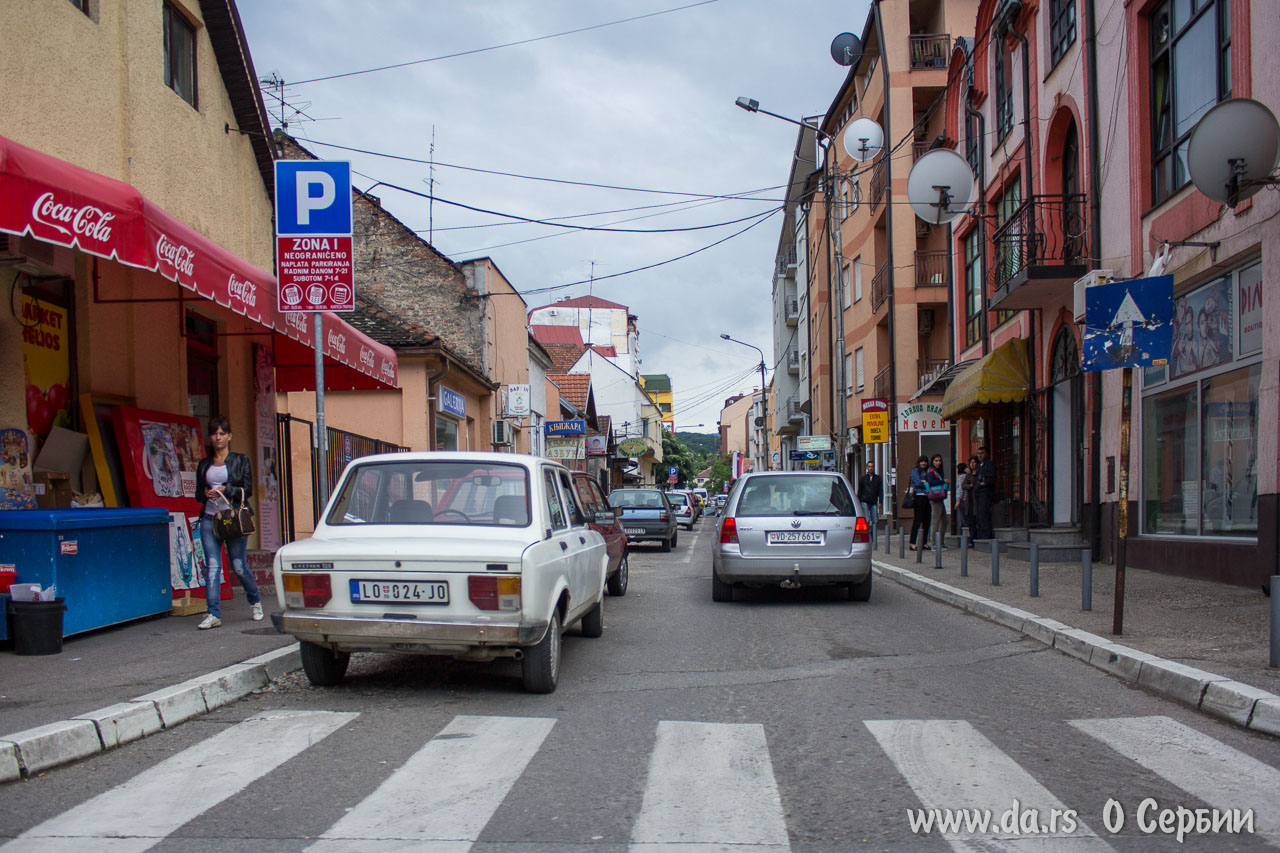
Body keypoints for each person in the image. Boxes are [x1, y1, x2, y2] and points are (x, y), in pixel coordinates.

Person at [194, 416, 262, 629]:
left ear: (230, 436)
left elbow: (248, 490)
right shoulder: (204, 464)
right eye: (215, 433)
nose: (218, 437)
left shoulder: (240, 460)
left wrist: (226, 490)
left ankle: (255, 601)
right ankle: (213, 613)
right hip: (209, 518)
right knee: (213, 566)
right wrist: (206, 493)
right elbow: (197, 493)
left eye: (222, 433)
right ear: (210, 437)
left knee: (238, 565)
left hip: (233, 518)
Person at [973, 444, 996, 540]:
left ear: (987, 454)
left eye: (982, 453)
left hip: (985, 492)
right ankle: (981, 534)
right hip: (978, 492)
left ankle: (986, 535)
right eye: (978, 453)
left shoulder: (989, 464)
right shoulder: (979, 466)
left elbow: (992, 478)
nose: (980, 455)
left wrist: (984, 483)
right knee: (979, 515)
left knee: (984, 514)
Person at [908, 455, 931, 550]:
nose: (923, 463)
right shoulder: (915, 471)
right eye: (922, 461)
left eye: (925, 461)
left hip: (928, 497)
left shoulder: (928, 471)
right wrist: (926, 483)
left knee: (927, 520)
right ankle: (912, 542)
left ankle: (924, 542)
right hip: (919, 497)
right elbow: (917, 483)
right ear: (919, 462)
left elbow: (932, 481)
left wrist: (925, 482)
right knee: (917, 520)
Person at [926, 455, 948, 549]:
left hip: (939, 498)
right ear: (932, 461)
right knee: (935, 521)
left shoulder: (937, 471)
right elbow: (930, 482)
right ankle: (934, 543)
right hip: (935, 498)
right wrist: (943, 481)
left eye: (939, 460)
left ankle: (941, 542)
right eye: (936, 460)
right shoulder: (931, 471)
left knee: (945, 520)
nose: (938, 462)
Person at [857, 460, 883, 533]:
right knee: (866, 519)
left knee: (875, 519)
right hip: (864, 501)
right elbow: (860, 490)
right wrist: (858, 501)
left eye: (872, 466)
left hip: (873, 501)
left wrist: (880, 501)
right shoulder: (863, 478)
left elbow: (880, 490)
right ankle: (866, 533)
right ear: (867, 468)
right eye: (869, 466)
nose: (870, 468)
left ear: (874, 467)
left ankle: (872, 534)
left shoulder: (877, 479)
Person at [954, 462, 970, 537]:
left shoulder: (961, 477)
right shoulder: (965, 476)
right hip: (964, 499)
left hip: (962, 500)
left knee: (964, 518)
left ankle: (966, 536)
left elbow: (960, 489)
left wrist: (958, 500)